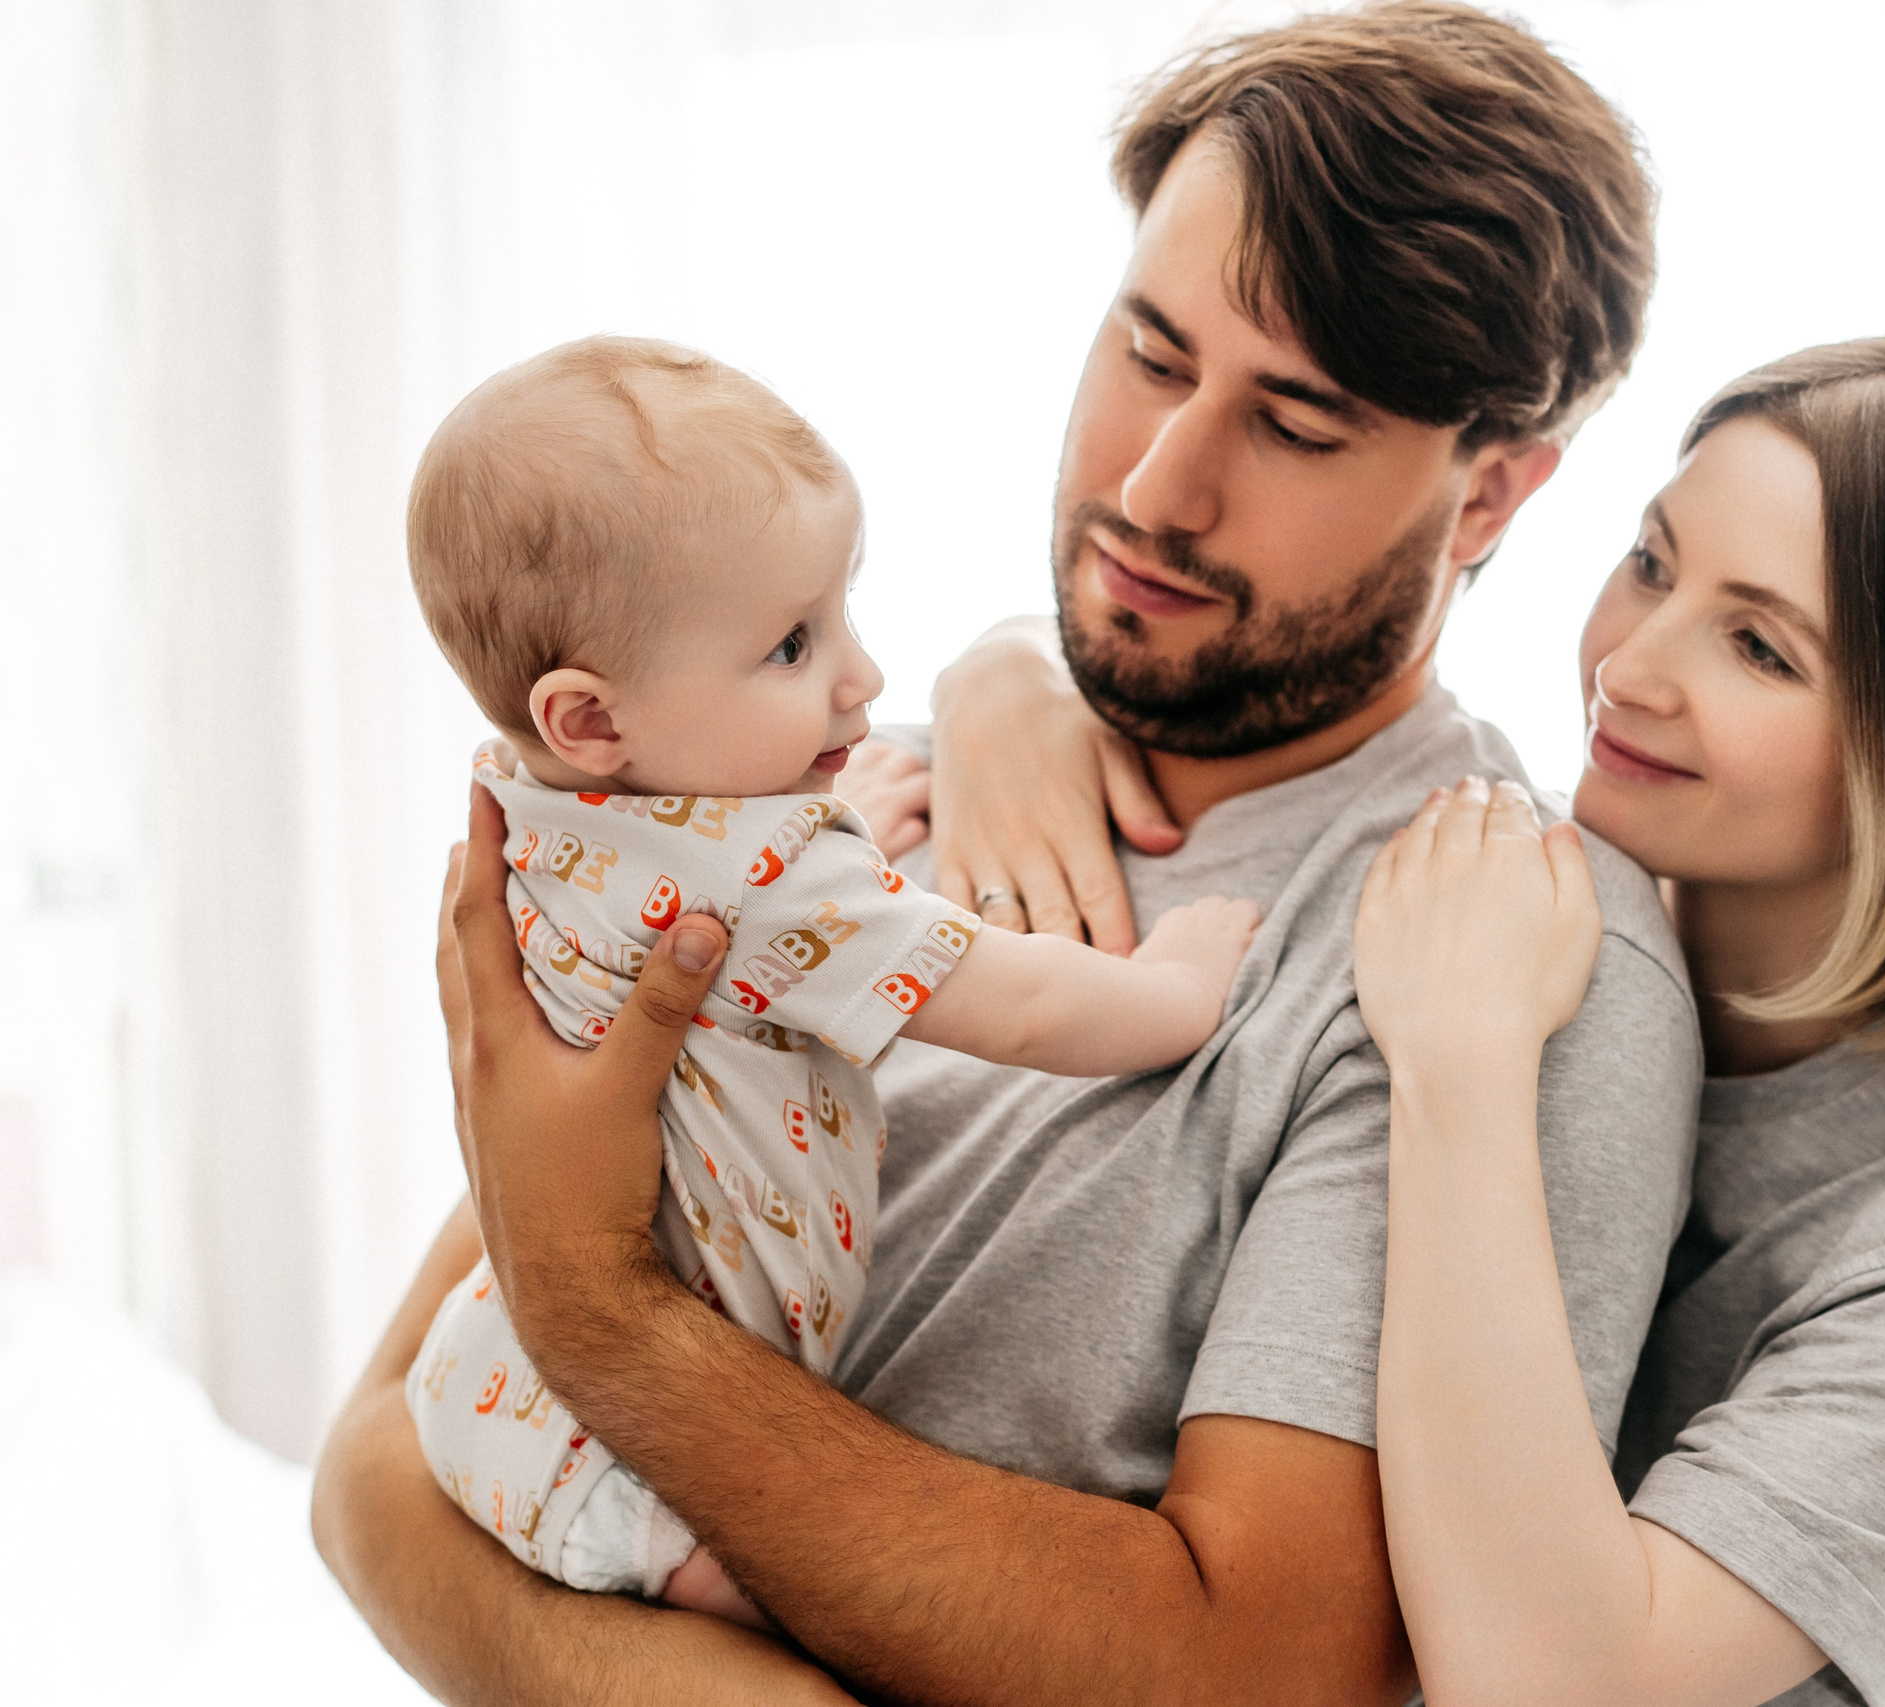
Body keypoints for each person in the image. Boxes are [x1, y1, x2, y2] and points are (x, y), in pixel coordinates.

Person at [311, 6, 1687, 1702]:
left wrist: (608, 1323)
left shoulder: (1496, 955)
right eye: (1154, 352)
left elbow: (1255, 1662)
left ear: (1489, 501)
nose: (1159, 487)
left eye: (1299, 423)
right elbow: (369, 1475)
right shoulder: (810, 774)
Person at [919, 332, 1885, 1705]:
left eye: (1761, 647)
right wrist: (1004, 677)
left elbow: (1550, 1686)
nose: (1633, 665)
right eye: (1652, 562)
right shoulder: (1542, 904)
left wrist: (1461, 1067)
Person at [397, 335, 1259, 1626]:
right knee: (821, 1631)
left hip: (485, 1380)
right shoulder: (777, 883)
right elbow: (1015, 999)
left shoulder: (532, 797)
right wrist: (1180, 991)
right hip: (622, 1466)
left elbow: (684, 873)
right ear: (593, 719)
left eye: (842, 608)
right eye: (792, 648)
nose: (862, 676)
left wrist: (829, 793)